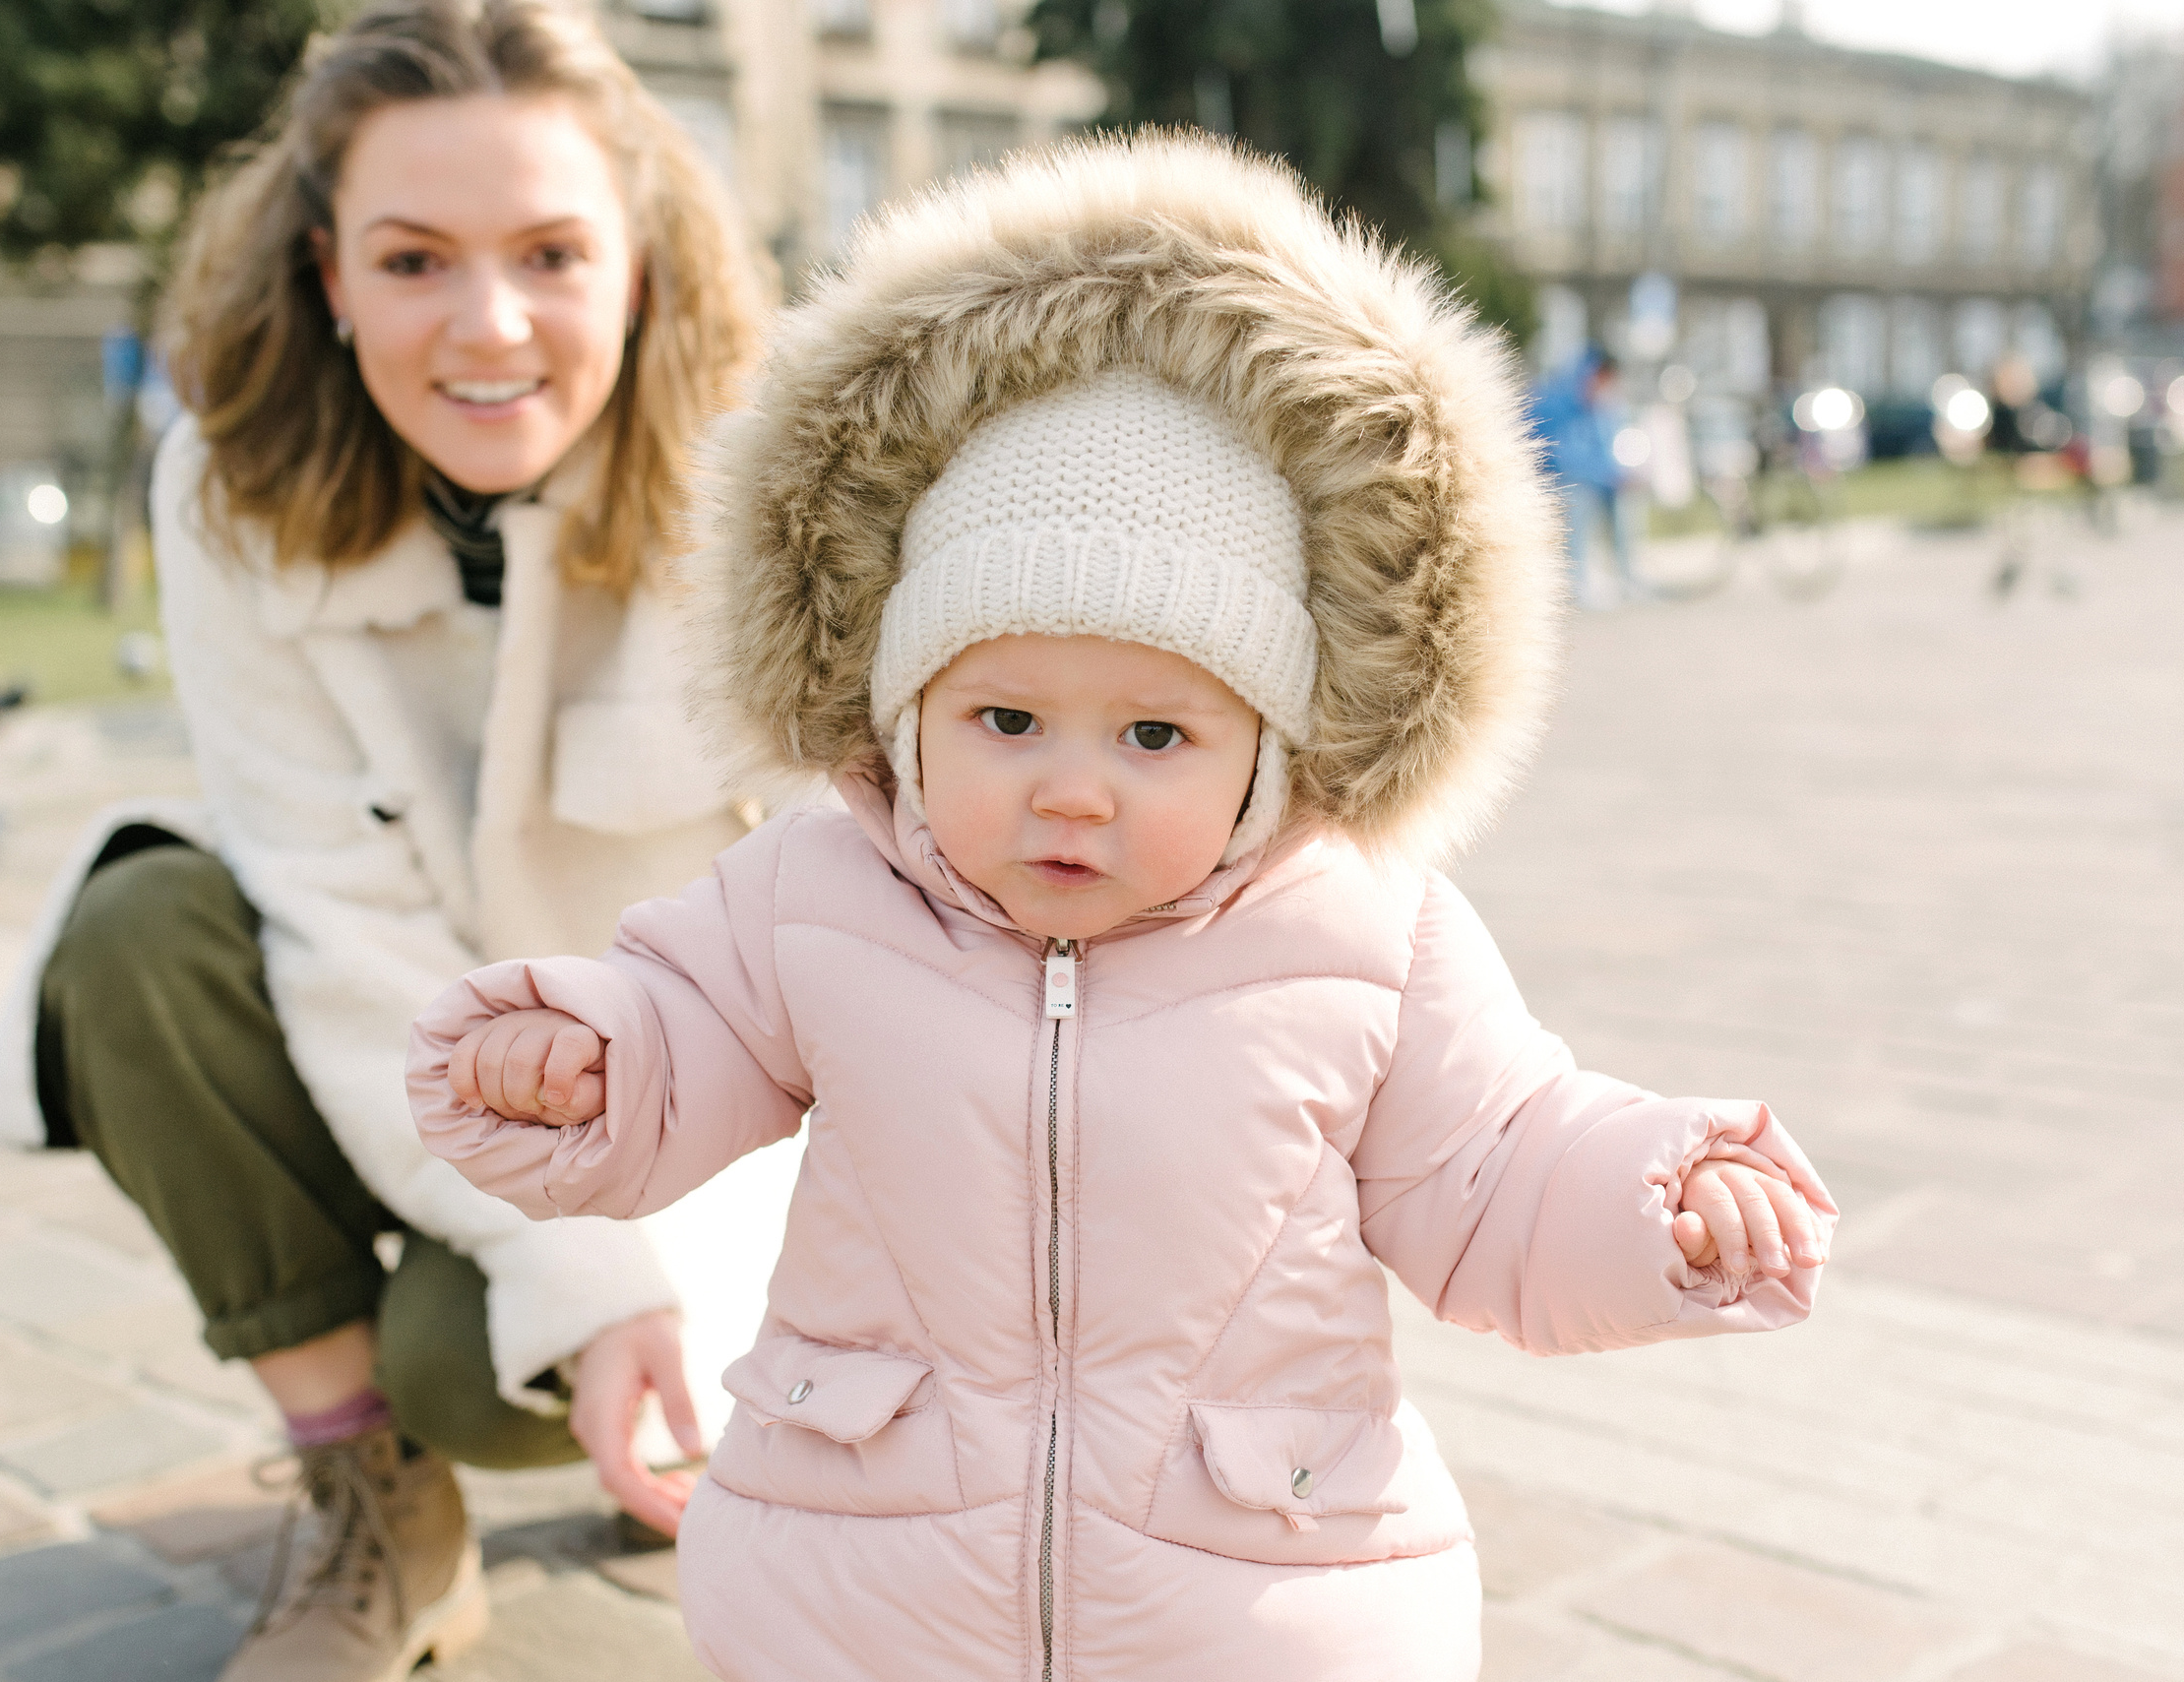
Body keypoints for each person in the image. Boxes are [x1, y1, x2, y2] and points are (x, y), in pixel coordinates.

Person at [402, 137, 1838, 1680]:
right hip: (868, 1568)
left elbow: (1499, 1168)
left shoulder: (1366, 933)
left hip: (1254, 1590)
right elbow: (690, 1032)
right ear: (904, 720)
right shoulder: (817, 893)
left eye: (1155, 734)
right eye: (1007, 721)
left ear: (1267, 748)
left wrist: (1656, 1202)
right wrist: (591, 1060)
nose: (1073, 790)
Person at [0, 4, 767, 1678]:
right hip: (416, 1068)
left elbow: (877, 926)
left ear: (640, 264)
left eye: (551, 254)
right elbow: (337, 923)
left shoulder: (770, 476)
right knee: (132, 932)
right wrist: (579, 1270)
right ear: (329, 274)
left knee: (479, 1365)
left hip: (700, 1116)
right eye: (414, 261)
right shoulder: (228, 489)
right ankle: (379, 1502)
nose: (489, 325)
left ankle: (730, 1420)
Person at [1530, 343, 1638, 602]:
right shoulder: (1555, 400)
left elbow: (1603, 451)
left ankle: (1627, 577)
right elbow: (1561, 458)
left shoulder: (1600, 406)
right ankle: (1576, 583)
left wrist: (1617, 476)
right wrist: (1605, 475)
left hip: (1591, 478)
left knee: (1622, 501)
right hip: (1553, 479)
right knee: (1578, 498)